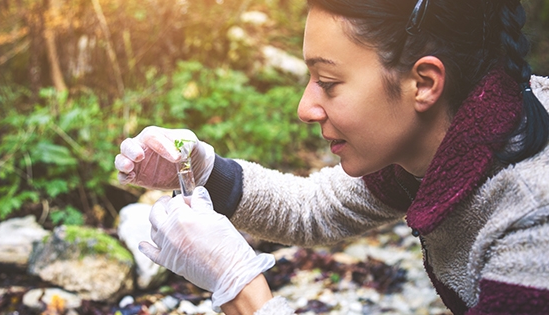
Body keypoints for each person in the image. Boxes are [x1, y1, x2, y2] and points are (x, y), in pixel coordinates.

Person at [114, 0, 549, 314]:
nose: (305, 108)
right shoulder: (449, 139)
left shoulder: (533, 220)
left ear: (425, 82)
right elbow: (314, 208)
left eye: (328, 81)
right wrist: (203, 170)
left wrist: (240, 288)